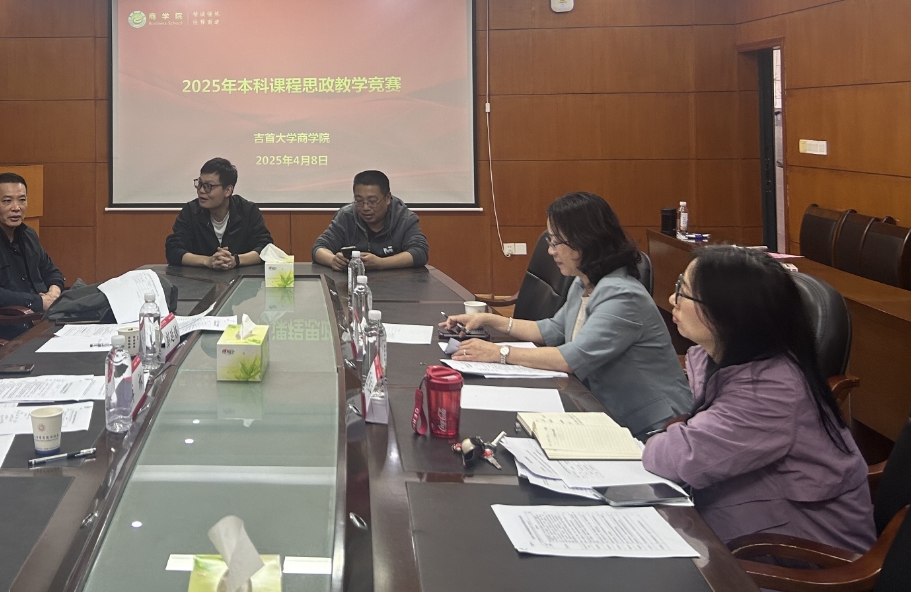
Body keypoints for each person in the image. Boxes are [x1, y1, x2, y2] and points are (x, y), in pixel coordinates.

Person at [642, 247, 875, 551]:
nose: (673, 299)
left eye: (683, 292)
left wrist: (669, 435)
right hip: (744, 529)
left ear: (727, 314)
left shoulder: (770, 391)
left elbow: (683, 459)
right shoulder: (722, 362)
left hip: (798, 558)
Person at [440, 191, 690, 436]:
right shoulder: (583, 282)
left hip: (656, 426)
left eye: (556, 242)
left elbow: (570, 358)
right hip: (601, 407)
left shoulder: (623, 296)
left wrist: (500, 353)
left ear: (586, 240)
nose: (551, 251)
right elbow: (554, 329)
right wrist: (489, 319)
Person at [0, 172, 67, 323]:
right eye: (7, 201)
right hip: (14, 322)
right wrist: (39, 302)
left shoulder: (29, 234)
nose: (16, 208)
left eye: (22, 200)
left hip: (47, 315)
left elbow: (52, 271)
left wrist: (54, 292)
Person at [165, 157, 273, 268]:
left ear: (228, 190)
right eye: (200, 184)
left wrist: (235, 260)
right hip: (199, 277)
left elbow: (266, 249)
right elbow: (173, 250)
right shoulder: (191, 211)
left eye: (209, 186)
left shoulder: (247, 210)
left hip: (240, 275)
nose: (201, 190)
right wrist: (207, 261)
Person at [313, 170, 429, 270]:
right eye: (359, 201)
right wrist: (333, 260)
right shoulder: (346, 216)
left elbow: (420, 252)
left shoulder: (404, 218)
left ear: (387, 198)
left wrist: (381, 263)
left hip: (396, 284)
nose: (365, 208)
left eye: (372, 201)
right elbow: (319, 247)